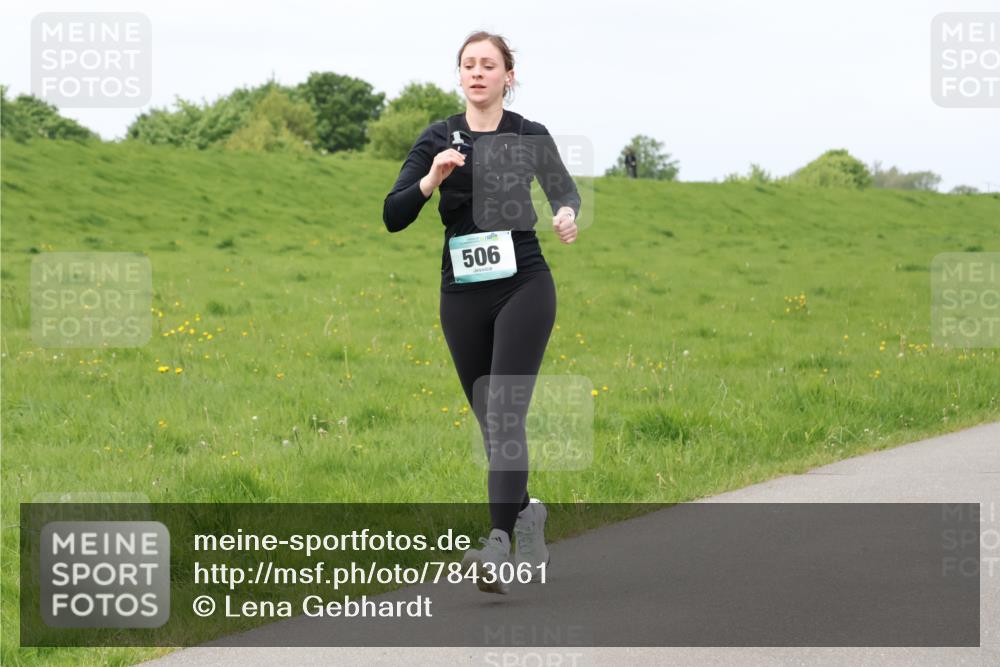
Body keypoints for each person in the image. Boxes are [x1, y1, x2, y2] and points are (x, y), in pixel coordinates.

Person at [383, 30, 580, 594]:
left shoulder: (528, 134)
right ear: (460, 75)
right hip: (462, 290)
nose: (477, 73)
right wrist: (431, 180)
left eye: (488, 65)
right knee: (490, 423)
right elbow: (393, 214)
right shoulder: (439, 136)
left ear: (507, 76)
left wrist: (565, 214)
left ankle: (497, 545)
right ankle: (527, 512)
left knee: (504, 411)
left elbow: (565, 192)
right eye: (468, 64)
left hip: (524, 282)